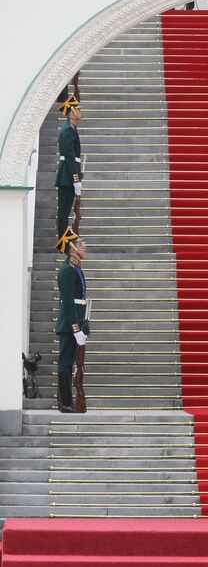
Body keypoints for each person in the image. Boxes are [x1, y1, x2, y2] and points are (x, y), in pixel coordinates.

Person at [54, 228, 90, 414]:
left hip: (76, 322)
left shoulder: (75, 267)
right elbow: (68, 302)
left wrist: (83, 326)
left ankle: (67, 403)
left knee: (70, 362)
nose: (85, 248)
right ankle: (65, 403)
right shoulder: (67, 270)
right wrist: (76, 329)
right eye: (81, 245)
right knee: (65, 363)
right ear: (72, 248)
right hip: (69, 324)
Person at [54, 95, 83, 241]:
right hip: (67, 176)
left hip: (69, 174)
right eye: (78, 109)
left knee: (66, 211)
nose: (80, 112)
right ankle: (63, 242)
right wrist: (76, 179)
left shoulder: (71, 129)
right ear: (72, 111)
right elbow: (70, 156)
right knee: (64, 212)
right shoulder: (67, 130)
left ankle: (65, 240)